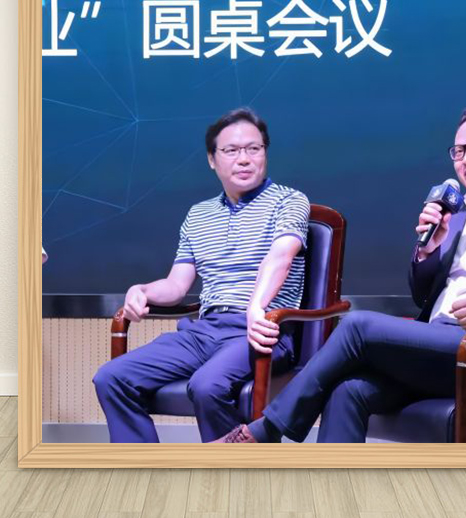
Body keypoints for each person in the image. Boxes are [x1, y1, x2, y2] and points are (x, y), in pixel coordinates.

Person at [216, 104, 466, 444]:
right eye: (458, 151)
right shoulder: (454, 216)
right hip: (438, 347)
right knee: (348, 390)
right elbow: (421, 298)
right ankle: (332, 490)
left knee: (357, 326)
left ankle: (265, 430)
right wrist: (428, 251)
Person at [93, 108, 309, 442]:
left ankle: (233, 468)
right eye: (231, 150)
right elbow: (176, 286)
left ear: (265, 153)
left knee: (208, 385)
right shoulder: (199, 215)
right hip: (204, 331)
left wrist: (255, 307)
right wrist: (143, 290)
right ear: (212, 159)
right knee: (111, 378)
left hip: (261, 331)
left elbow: (281, 255)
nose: (244, 159)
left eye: (254, 149)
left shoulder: (290, 201)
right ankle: (142, 468)